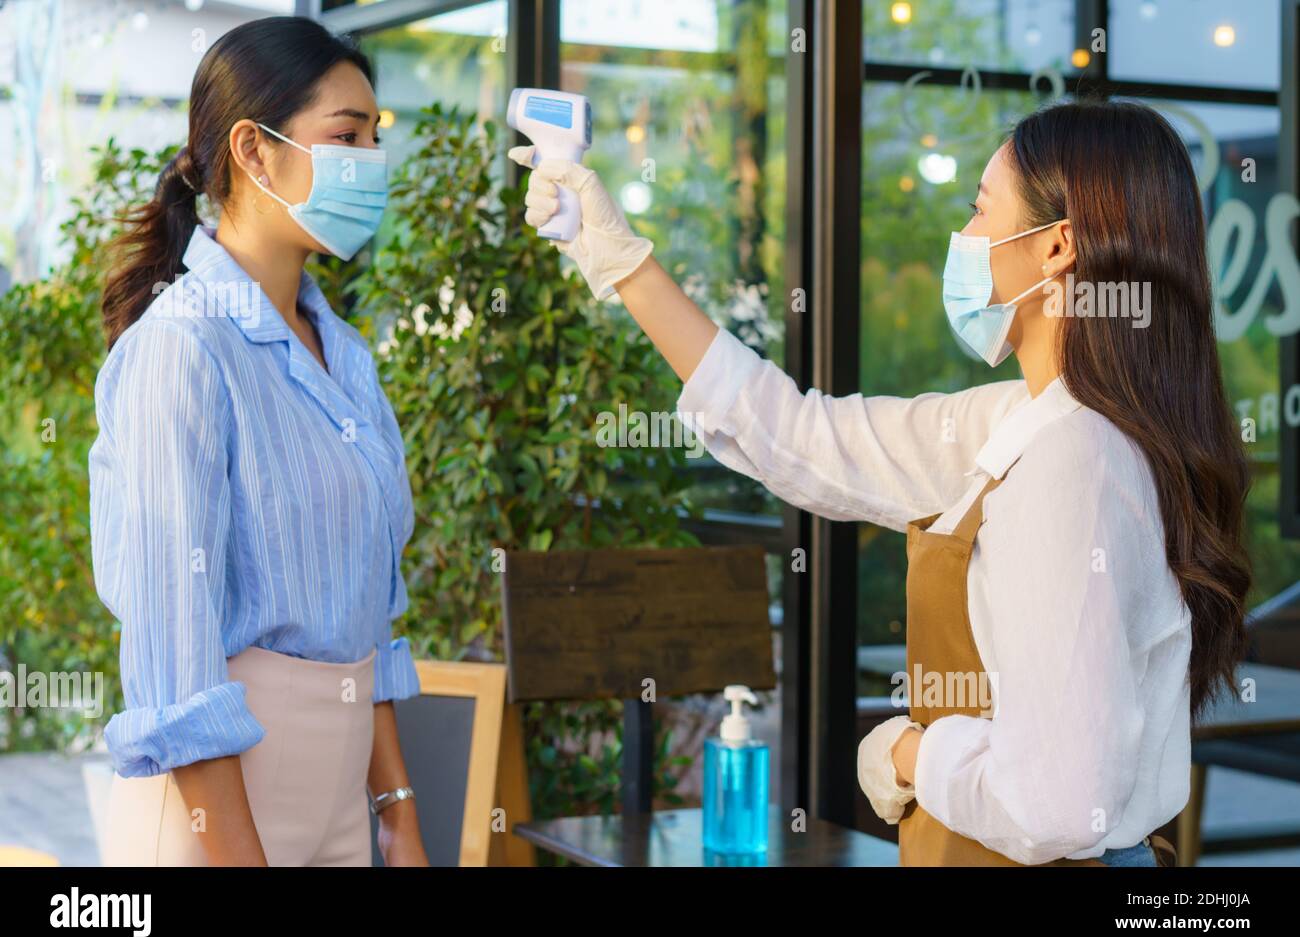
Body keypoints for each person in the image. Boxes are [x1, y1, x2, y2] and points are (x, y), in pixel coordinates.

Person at [508, 98, 1252, 867]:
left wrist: (910, 751)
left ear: (1058, 247)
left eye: (978, 211)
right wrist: (624, 262)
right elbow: (797, 433)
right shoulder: (1031, 424)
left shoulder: (1075, 462)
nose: (961, 240)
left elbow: (1059, 802)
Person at [91, 16, 427, 866]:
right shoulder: (183, 348)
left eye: (375, 138)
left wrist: (399, 813)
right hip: (223, 807)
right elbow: (174, 648)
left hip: (346, 803)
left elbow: (366, 616)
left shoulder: (345, 356)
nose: (370, 163)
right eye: (345, 136)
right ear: (254, 149)